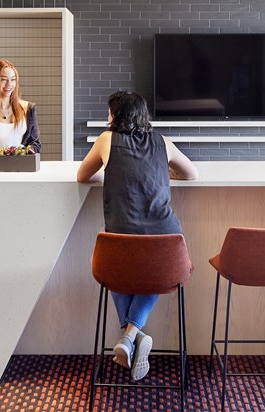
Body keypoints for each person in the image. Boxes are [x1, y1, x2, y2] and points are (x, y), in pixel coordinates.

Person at [76, 90, 199, 381]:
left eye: (109, 111)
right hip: (166, 246)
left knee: (116, 271)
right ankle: (133, 336)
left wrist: (111, 172)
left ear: (116, 115)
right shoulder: (163, 142)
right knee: (157, 270)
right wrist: (166, 174)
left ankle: (130, 336)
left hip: (119, 247)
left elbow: (82, 175)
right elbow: (191, 173)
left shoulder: (106, 140)